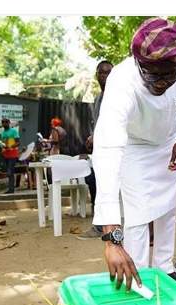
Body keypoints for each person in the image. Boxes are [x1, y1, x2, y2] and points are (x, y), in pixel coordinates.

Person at [92, 18, 176, 290]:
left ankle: (165, 268)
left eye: (169, 74)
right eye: (153, 75)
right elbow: (107, 154)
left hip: (167, 142)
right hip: (134, 147)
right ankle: (136, 277)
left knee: (167, 211)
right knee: (138, 215)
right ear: (138, 63)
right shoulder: (122, 81)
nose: (162, 82)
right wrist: (112, 240)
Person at [79, 60, 114, 239]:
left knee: (99, 182)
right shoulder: (99, 98)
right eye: (102, 73)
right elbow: (99, 124)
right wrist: (92, 137)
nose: (105, 76)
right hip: (101, 150)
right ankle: (100, 223)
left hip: (116, 150)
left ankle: (102, 225)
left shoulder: (117, 96)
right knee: (93, 180)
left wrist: (97, 137)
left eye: (109, 72)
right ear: (97, 75)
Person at [0, 118, 20, 194]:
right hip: (5, 154)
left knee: (10, 172)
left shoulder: (14, 131)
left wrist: (10, 146)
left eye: (6, 122)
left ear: (9, 123)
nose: (4, 124)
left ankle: (11, 189)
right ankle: (10, 189)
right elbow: (3, 143)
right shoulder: (3, 133)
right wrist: (3, 147)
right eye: (3, 122)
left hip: (13, 154)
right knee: (8, 172)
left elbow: (18, 142)